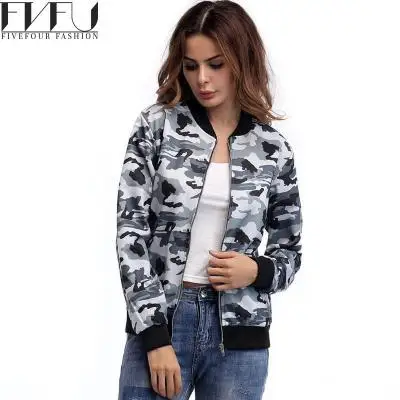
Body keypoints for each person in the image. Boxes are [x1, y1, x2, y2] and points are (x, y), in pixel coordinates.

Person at [116, 1, 303, 399]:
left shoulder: (273, 148)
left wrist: (256, 270)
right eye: (191, 65)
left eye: (216, 64)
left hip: (239, 338)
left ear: (242, 61)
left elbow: (290, 252)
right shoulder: (156, 126)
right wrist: (154, 336)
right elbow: (130, 233)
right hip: (163, 321)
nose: (202, 79)